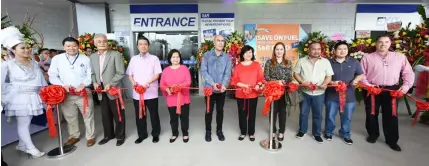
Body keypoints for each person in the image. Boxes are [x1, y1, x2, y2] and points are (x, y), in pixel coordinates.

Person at [360, 34, 415, 151]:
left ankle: (392, 140)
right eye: (380, 42)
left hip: (392, 90)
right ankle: (373, 135)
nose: (383, 44)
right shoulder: (367, 57)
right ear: (376, 43)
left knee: (391, 116)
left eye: (386, 42)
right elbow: (361, 75)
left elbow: (408, 74)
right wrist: (369, 86)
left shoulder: (400, 57)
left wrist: (405, 87)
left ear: (390, 44)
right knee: (371, 113)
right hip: (373, 89)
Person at [0, 26, 46, 158]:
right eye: (22, 48)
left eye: (27, 47)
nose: (27, 50)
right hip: (18, 98)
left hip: (34, 96)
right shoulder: (7, 65)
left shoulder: (34, 63)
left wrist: (45, 93)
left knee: (28, 121)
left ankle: (21, 145)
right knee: (24, 123)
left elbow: (41, 80)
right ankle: (31, 148)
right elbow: (2, 83)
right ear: (13, 50)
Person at [48, 37, 95, 147]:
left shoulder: (86, 59)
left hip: (83, 93)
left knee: (88, 115)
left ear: (78, 46)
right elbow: (52, 76)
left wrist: (83, 84)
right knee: (70, 116)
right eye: (68, 46)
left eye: (74, 46)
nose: (71, 48)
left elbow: (90, 75)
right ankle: (74, 136)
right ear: (64, 47)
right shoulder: (57, 59)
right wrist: (62, 85)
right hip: (66, 93)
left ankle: (90, 136)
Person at [324, 41, 364, 145]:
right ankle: (328, 132)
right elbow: (323, 76)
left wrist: (356, 80)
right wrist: (332, 82)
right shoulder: (327, 62)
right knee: (330, 115)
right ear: (335, 50)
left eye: (345, 49)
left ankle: (345, 134)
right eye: (340, 49)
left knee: (347, 116)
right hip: (332, 95)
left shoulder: (354, 62)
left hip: (349, 95)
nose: (342, 51)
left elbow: (360, 74)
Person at [90, 34, 126, 146]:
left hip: (113, 89)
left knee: (118, 113)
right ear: (95, 44)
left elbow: (120, 72)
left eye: (104, 41)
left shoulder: (116, 54)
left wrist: (111, 84)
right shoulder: (92, 57)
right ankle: (108, 135)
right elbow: (92, 73)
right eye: (99, 41)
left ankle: (120, 136)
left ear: (107, 43)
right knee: (105, 114)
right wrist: (94, 82)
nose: (102, 43)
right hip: (100, 90)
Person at [294, 42, 334, 144]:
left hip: (319, 93)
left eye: (318, 49)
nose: (316, 51)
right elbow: (296, 73)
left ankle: (317, 134)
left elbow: (329, 76)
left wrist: (325, 83)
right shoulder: (302, 61)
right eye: (314, 49)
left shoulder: (325, 62)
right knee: (303, 113)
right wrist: (303, 82)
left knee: (318, 114)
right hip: (305, 92)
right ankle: (302, 131)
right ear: (309, 50)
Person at [127, 36, 162, 144]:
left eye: (145, 44)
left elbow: (157, 74)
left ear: (148, 46)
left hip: (151, 93)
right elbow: (130, 74)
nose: (143, 46)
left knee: (154, 114)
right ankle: (142, 135)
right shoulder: (133, 59)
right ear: (137, 46)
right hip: (138, 94)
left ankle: (155, 134)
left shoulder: (154, 58)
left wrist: (148, 83)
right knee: (140, 115)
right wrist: (133, 83)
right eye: (141, 44)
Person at [201, 35, 232, 142]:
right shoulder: (206, 55)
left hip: (222, 89)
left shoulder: (227, 57)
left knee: (220, 111)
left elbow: (227, 73)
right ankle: (208, 131)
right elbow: (204, 71)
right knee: (209, 111)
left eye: (222, 41)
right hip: (209, 89)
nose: (220, 43)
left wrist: (224, 85)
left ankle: (219, 131)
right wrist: (212, 83)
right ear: (214, 42)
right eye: (218, 41)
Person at [231, 45, 265, 141]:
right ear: (242, 54)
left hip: (253, 94)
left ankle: (251, 133)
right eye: (246, 52)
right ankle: (243, 132)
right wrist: (244, 85)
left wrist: (258, 84)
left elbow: (261, 78)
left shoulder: (256, 65)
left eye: (250, 52)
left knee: (252, 114)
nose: (248, 54)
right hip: (241, 94)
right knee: (242, 114)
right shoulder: (238, 66)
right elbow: (234, 80)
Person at [160, 49, 191, 143]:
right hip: (171, 98)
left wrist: (179, 87)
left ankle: (185, 133)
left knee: (184, 117)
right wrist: (167, 89)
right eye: (173, 57)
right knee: (173, 118)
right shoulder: (165, 70)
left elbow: (188, 82)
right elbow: (162, 84)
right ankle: (174, 133)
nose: (175, 59)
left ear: (180, 58)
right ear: (170, 58)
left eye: (177, 57)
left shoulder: (184, 68)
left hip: (183, 97)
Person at [263, 42, 293, 141]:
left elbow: (289, 77)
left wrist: (283, 82)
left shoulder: (288, 62)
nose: (279, 51)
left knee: (282, 112)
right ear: (274, 51)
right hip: (272, 91)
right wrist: (277, 82)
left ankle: (281, 131)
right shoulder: (269, 62)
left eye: (281, 49)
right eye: (277, 49)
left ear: (284, 51)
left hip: (283, 92)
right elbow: (266, 77)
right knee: (273, 111)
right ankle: (272, 130)